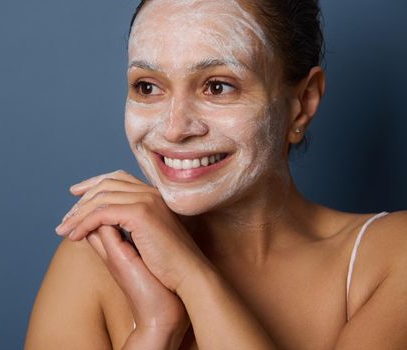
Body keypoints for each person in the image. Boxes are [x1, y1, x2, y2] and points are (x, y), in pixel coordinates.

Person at [24, 0, 407, 348]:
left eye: (218, 86)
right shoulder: (95, 262)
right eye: (147, 87)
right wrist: (156, 328)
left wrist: (191, 276)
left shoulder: (393, 255)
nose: (174, 129)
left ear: (302, 105)